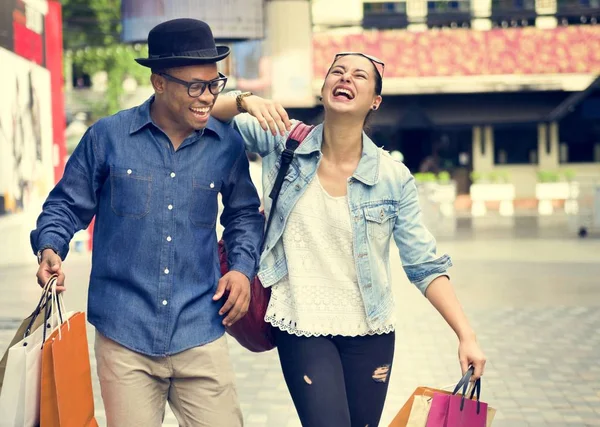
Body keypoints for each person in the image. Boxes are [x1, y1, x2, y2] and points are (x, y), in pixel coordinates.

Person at [212, 52, 486, 426]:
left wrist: (465, 335)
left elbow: (424, 264)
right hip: (301, 320)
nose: (346, 78)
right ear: (324, 89)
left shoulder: (393, 177)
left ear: (375, 101)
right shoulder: (283, 140)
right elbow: (205, 109)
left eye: (360, 76)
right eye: (337, 72)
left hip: (370, 328)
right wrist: (246, 100)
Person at [30, 19, 263, 427]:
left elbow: (243, 213)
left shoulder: (225, 146)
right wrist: (51, 247)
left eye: (214, 84)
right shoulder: (107, 137)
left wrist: (242, 270)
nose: (206, 97)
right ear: (158, 82)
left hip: (200, 330)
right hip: (125, 335)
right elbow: (66, 205)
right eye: (194, 85)